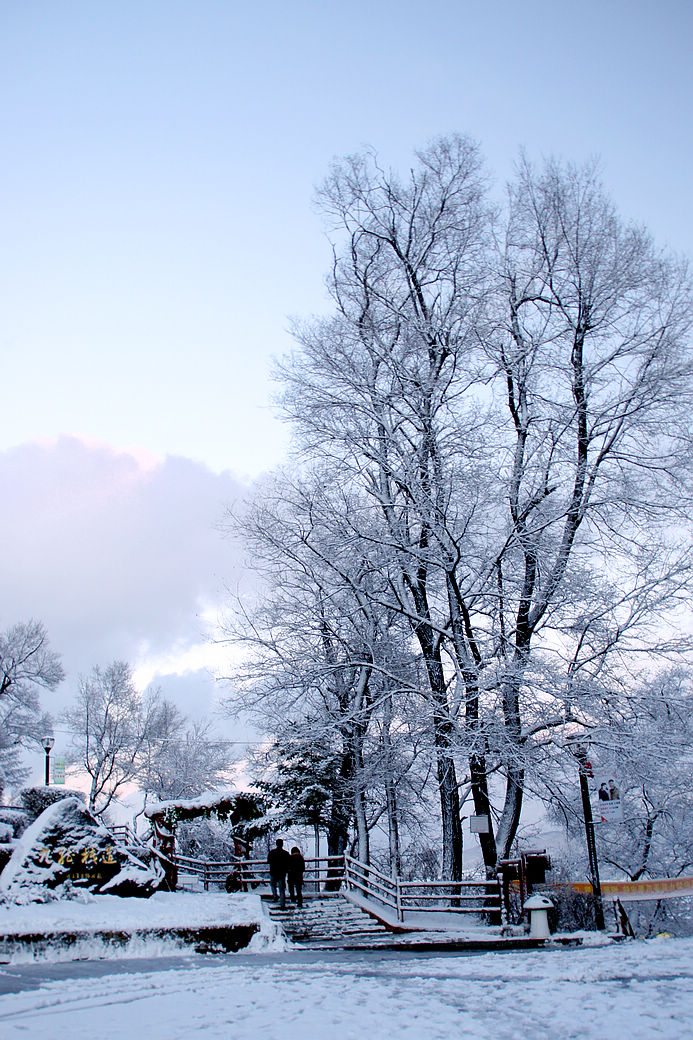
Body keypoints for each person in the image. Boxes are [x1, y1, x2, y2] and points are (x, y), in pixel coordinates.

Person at [267, 838, 291, 907]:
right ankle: (282, 903)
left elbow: (268, 861)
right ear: (282, 844)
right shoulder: (286, 853)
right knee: (282, 888)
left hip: (273, 872)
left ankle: (275, 896)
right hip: (282, 873)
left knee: (272, 885)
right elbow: (289, 863)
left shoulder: (272, 852)